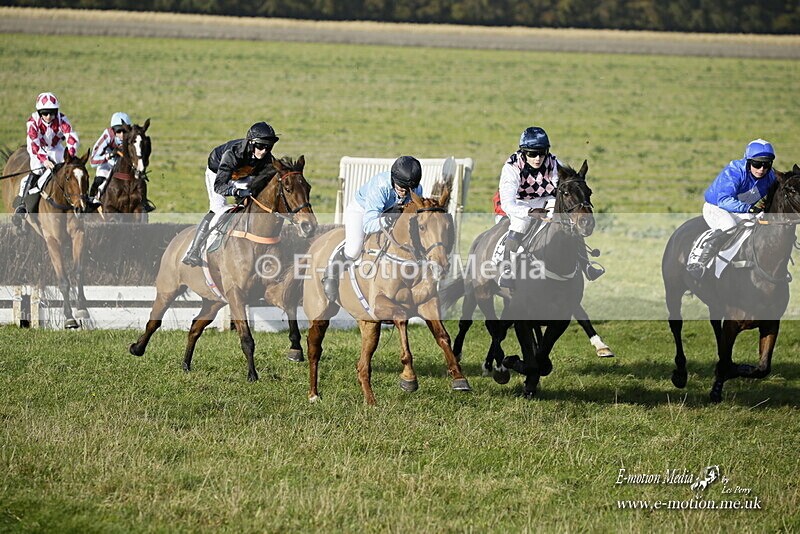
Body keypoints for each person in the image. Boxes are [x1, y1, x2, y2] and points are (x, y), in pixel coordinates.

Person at [322, 155, 424, 302]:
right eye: (402, 188)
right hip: (363, 211)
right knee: (354, 249)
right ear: (394, 180)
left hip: (392, 215)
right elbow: (369, 225)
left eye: (410, 189)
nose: (405, 192)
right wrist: (389, 219)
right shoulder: (380, 186)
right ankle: (332, 269)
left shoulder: (416, 189)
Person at [182, 121, 279, 267]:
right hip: (218, 174)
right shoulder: (233, 153)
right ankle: (193, 251)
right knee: (217, 207)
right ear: (251, 143)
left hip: (241, 174)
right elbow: (219, 186)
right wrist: (236, 191)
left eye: (268, 147)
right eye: (260, 146)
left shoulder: (267, 159)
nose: (264, 151)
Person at [687, 138, 777, 279]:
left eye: (767, 164)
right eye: (757, 164)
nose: (762, 169)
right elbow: (724, 200)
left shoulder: (770, 176)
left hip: (741, 210)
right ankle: (699, 262)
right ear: (748, 161)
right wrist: (748, 209)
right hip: (716, 207)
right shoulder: (735, 171)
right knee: (729, 225)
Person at [12, 92, 79, 226]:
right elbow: (34, 144)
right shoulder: (32, 122)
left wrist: (70, 157)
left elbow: (72, 138)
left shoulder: (62, 119)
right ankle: (22, 205)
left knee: (72, 171)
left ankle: (82, 200)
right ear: (39, 112)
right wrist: (44, 160)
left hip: (56, 148)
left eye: (52, 113)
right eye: (45, 113)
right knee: (37, 172)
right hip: (38, 149)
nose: (49, 117)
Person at [89, 112, 131, 204]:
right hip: (107, 164)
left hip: (123, 167)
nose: (122, 135)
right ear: (113, 130)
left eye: (125, 131)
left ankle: (143, 202)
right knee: (99, 180)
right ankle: (91, 204)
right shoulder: (108, 135)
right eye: (119, 131)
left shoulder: (132, 137)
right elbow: (92, 161)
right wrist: (110, 155)